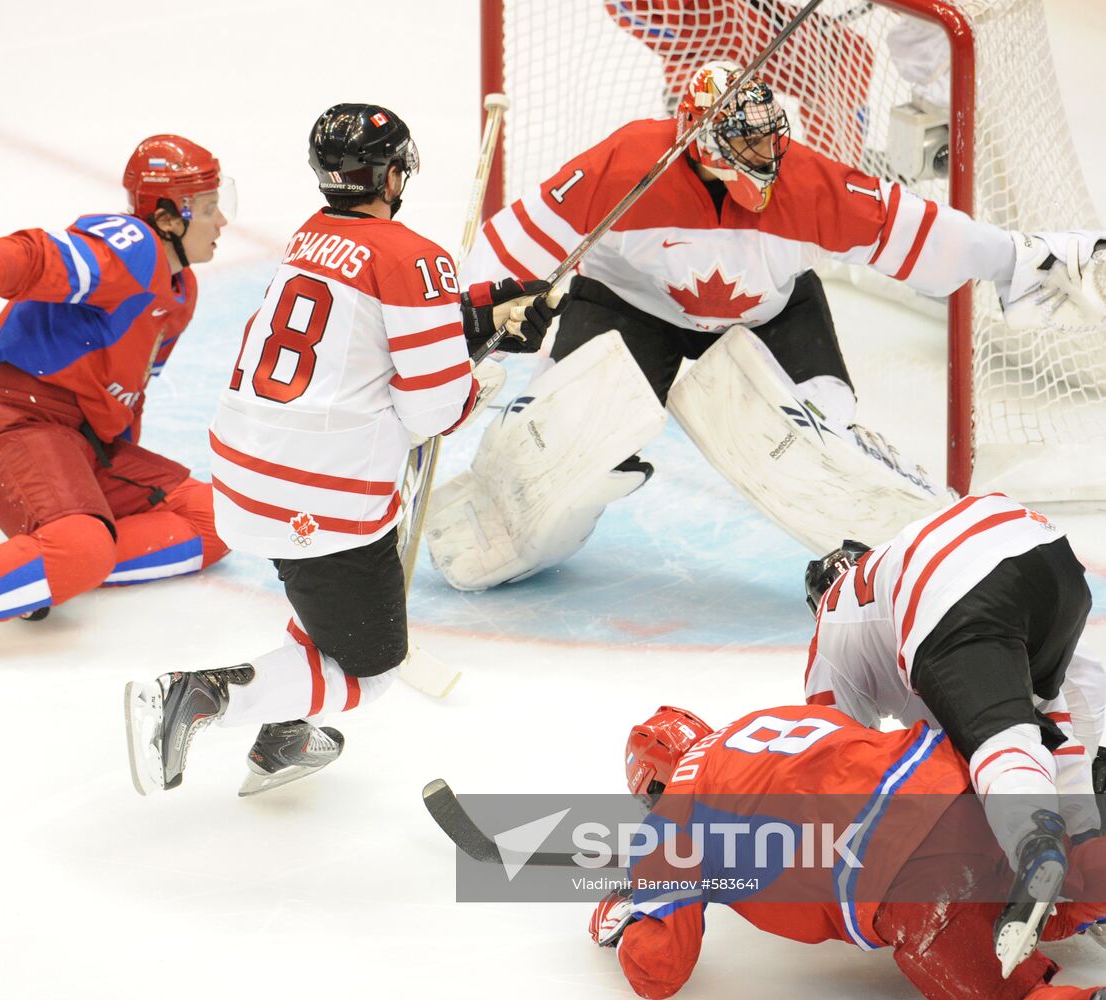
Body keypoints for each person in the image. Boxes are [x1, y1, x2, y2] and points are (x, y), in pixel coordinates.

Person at [425, 59, 1106, 590]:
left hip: (772, 313)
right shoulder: (626, 163)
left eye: (768, 138)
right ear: (698, 140)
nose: (764, 156)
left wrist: (1016, 256)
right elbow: (514, 239)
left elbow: (916, 230)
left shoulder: (806, 181)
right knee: (562, 442)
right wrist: (476, 311)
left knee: (828, 447)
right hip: (630, 307)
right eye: (744, 143)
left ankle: (910, 557)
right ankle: (513, 518)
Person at [122, 104, 562, 797]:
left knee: (325, 606)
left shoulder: (310, 239)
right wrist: (478, 370)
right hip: (320, 498)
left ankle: (286, 737)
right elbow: (434, 409)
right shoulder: (412, 256)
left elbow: (368, 335)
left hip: (245, 477)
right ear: (393, 175)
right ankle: (200, 696)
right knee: (370, 667)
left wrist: (483, 311)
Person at [0, 135, 234, 681]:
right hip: (6, 422)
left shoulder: (181, 293)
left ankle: (35, 571)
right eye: (207, 208)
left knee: (222, 518)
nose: (222, 221)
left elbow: (131, 395)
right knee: (82, 545)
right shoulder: (135, 245)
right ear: (169, 217)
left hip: (78, 442)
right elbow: (45, 256)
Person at [589, 702, 1106, 999]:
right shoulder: (763, 719)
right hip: (963, 784)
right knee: (1054, 886)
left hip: (901, 875)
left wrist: (634, 913)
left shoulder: (673, 818)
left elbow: (661, 969)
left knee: (1002, 985)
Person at [803, 493, 1106, 973]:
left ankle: (1035, 844)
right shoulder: (894, 566)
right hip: (1052, 561)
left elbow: (828, 756)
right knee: (1046, 730)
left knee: (999, 742)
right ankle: (1092, 847)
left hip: (961, 588)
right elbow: (1069, 704)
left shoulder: (833, 623)